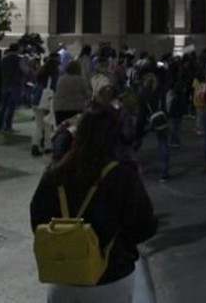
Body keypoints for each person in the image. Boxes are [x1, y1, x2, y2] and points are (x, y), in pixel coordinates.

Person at [30, 105, 157, 301]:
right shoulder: (123, 177)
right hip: (111, 276)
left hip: (64, 276)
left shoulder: (54, 175)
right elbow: (144, 226)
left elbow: (37, 220)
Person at [0, 44, 30, 133]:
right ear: (18, 49)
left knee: (3, 106)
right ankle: (8, 126)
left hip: (5, 84)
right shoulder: (20, 58)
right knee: (12, 107)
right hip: (16, 84)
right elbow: (25, 70)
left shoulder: (4, 59)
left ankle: (0, 126)